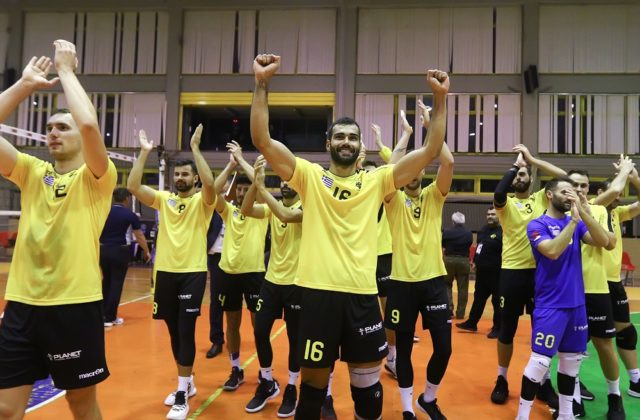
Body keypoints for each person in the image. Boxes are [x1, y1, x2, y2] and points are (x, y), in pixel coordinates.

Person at [251, 53, 449, 420]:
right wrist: (262, 83)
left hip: (361, 296)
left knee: (369, 396)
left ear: (360, 146)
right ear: (328, 143)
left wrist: (440, 99)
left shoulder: (377, 179)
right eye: (340, 136)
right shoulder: (309, 176)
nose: (347, 141)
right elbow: (262, 140)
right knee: (312, 392)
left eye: (353, 137)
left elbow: (430, 151)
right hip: (316, 295)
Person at [0, 40, 116, 419]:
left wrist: (65, 70)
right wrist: (24, 86)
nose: (52, 132)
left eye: (62, 127)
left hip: (74, 306)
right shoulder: (32, 171)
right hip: (22, 305)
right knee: (6, 408)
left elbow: (89, 123)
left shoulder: (97, 177)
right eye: (49, 127)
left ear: (80, 138)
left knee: (80, 404)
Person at [127, 124, 216, 420]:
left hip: (192, 273)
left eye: (185, 174)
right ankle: (187, 382)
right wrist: (144, 153)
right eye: (177, 174)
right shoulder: (165, 199)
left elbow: (211, 185)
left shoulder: (203, 202)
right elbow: (133, 186)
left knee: (186, 330)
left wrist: (195, 149)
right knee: (173, 331)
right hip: (164, 273)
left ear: (194, 179)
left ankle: (181, 393)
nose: (180, 178)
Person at [516, 177, 609, 420]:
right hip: (551, 305)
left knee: (571, 365)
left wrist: (584, 212)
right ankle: (522, 416)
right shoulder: (537, 224)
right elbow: (552, 251)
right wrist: (574, 222)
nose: (571, 195)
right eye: (565, 191)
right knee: (539, 364)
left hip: (577, 305)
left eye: (573, 192)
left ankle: (566, 415)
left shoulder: (575, 222)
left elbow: (603, 242)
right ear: (549, 194)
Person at [384, 131, 455, 420]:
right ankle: (406, 408)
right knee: (403, 352)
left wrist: (432, 129)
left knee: (444, 349)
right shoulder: (393, 199)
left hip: (434, 281)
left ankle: (428, 398)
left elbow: (448, 163)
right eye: (408, 170)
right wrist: (406, 137)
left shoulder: (434, 196)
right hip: (401, 284)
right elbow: (390, 171)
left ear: (423, 171)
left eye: (418, 169)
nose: (412, 174)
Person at [490, 145, 565, 408]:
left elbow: (563, 178)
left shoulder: (541, 199)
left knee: (541, 329)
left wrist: (532, 159)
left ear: (531, 179)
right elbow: (499, 192)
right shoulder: (506, 204)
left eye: (524, 174)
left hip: (539, 274)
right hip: (511, 273)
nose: (519, 177)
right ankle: (501, 379)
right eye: (516, 175)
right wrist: (515, 166)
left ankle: (543, 381)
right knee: (506, 330)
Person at [240, 156, 303, 416]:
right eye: (283, 181)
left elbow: (286, 215)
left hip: (298, 284)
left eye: (290, 181)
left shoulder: (307, 207)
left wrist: (261, 187)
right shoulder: (271, 208)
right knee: (260, 331)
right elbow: (245, 209)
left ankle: (292, 386)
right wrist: (256, 182)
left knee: (295, 339)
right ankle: (267, 382)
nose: (286, 184)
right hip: (272, 281)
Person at [566, 168, 627, 418]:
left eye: (584, 185)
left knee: (604, 345)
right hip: (567, 290)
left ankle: (615, 397)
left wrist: (587, 214)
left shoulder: (600, 210)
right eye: (575, 185)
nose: (580, 189)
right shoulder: (557, 212)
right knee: (572, 348)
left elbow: (609, 242)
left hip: (596, 288)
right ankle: (574, 396)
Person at [213, 143, 267, 393]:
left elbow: (259, 182)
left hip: (254, 274)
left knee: (259, 327)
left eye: (249, 188)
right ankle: (236, 369)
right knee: (231, 324)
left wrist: (244, 160)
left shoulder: (264, 211)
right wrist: (231, 164)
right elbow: (213, 191)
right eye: (241, 188)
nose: (244, 192)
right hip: (228, 273)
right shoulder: (229, 211)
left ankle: (265, 372)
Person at [597, 164, 640, 399]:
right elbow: (613, 191)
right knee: (585, 337)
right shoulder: (592, 207)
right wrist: (624, 172)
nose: (619, 197)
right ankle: (573, 387)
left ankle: (635, 380)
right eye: (615, 193)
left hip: (613, 282)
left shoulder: (617, 213)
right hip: (591, 283)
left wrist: (634, 178)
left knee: (626, 332)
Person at [100, 187, 151, 327]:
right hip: (119, 251)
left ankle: (102, 315)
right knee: (116, 284)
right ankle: (110, 318)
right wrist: (146, 251)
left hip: (102, 250)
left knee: (106, 282)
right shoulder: (130, 214)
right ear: (127, 199)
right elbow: (139, 235)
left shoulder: (103, 211)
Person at [456, 206, 502, 338]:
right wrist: (475, 260)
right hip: (482, 273)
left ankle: (498, 328)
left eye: (493, 214)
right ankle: (472, 323)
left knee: (497, 301)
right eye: (488, 214)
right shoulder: (483, 230)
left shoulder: (503, 232)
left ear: (499, 216)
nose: (490, 216)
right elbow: (479, 247)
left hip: (497, 273)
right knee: (478, 299)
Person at [442, 211, 473, 319]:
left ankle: (449, 310)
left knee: (446, 284)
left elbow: (443, 244)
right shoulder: (468, 233)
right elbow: (469, 244)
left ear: (453, 221)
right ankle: (460, 313)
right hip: (463, 260)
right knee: (463, 288)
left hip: (448, 260)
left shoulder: (446, 231)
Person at [205, 210, 225, 358]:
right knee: (216, 300)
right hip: (217, 256)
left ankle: (258, 337)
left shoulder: (243, 205)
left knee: (237, 302)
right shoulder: (212, 205)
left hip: (240, 256)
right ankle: (217, 340)